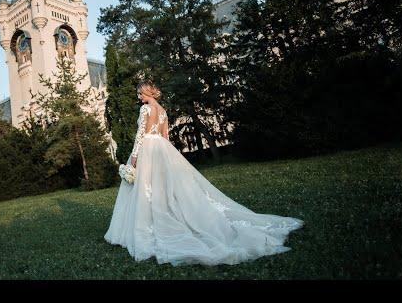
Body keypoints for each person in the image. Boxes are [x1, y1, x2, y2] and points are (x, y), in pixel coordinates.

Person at [104, 80, 304, 266]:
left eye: (140, 93)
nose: (139, 96)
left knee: (147, 187)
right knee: (162, 187)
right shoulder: (163, 111)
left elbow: (140, 135)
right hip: (162, 149)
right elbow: (166, 136)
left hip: (148, 148)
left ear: (146, 92)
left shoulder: (145, 109)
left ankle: (150, 224)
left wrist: (134, 158)